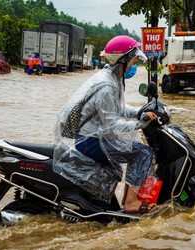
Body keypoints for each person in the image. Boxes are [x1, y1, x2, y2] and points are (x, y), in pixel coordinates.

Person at [53, 35, 157, 214]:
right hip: (91, 141)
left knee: (137, 152)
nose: (133, 64)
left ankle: (125, 200)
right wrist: (140, 124)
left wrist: (139, 112)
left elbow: (117, 109)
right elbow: (112, 125)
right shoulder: (106, 86)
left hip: (93, 138)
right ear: (122, 60)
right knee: (142, 153)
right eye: (132, 59)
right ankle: (131, 203)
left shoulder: (110, 78)